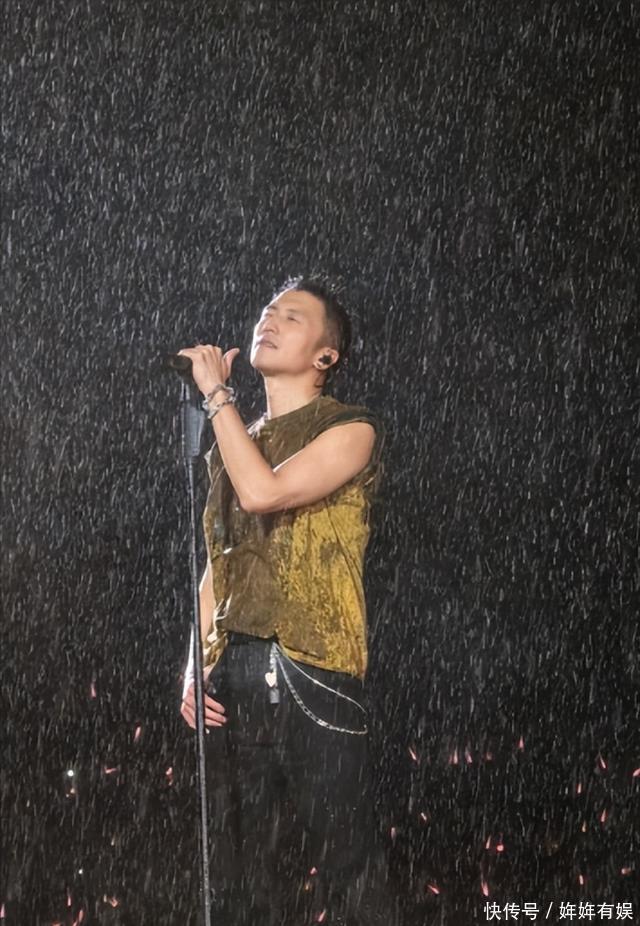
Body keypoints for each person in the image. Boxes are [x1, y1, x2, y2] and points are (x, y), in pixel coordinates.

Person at [178, 276, 393, 925]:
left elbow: (263, 494)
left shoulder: (351, 428)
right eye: (267, 313)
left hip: (314, 669)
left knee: (348, 870)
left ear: (326, 354)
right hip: (235, 672)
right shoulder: (236, 438)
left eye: (292, 317)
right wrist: (194, 664)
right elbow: (219, 562)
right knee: (238, 874)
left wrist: (217, 396)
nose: (267, 322)